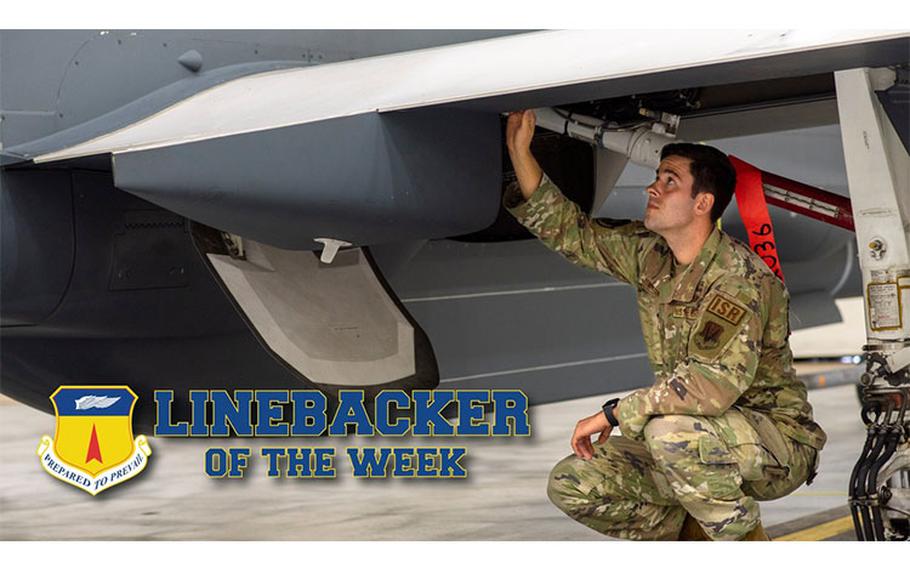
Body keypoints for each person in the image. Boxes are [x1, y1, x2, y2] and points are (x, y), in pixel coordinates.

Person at [503, 109, 827, 541]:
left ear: (702, 203)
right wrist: (519, 151)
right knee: (575, 482)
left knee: (670, 433)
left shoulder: (737, 280)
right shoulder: (652, 254)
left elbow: (710, 386)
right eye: (657, 177)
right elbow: (572, 234)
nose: (653, 188)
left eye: (669, 180)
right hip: (696, 434)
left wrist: (615, 413)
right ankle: (692, 538)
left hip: (775, 442)